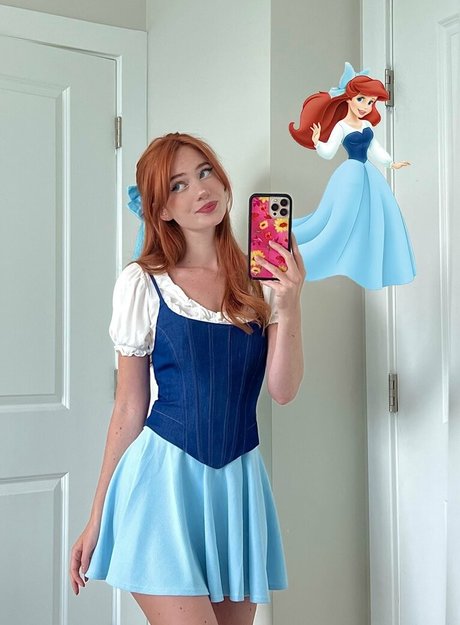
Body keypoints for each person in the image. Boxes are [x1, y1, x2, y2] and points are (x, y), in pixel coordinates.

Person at [69, 132, 305, 625]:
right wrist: (97, 517)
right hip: (162, 486)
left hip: (237, 488)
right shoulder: (143, 283)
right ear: (160, 210)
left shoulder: (261, 279)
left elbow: (282, 392)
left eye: (205, 172)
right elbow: (129, 407)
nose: (200, 190)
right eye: (178, 185)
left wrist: (289, 303)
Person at [289, 62, 416, 289]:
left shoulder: (367, 125)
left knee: (372, 220)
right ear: (348, 99)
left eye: (370, 102)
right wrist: (317, 141)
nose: (366, 106)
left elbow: (375, 149)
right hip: (349, 177)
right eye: (361, 99)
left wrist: (390, 163)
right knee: (339, 222)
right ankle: (308, 254)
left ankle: (364, 262)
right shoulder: (341, 127)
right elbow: (328, 152)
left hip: (368, 175)